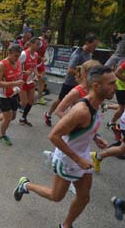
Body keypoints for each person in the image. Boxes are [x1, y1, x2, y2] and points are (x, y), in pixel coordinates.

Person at [14, 65, 116, 228]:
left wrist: (95, 137)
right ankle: (25, 185)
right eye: (111, 83)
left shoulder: (99, 104)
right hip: (68, 160)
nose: (115, 87)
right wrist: (78, 159)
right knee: (56, 196)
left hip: (82, 155)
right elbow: (53, 136)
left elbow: (82, 129)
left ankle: (66, 225)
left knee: (84, 197)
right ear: (96, 86)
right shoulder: (81, 110)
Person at [44, 33, 99, 127]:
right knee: (60, 101)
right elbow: (70, 70)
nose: (95, 48)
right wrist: (83, 76)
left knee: (77, 103)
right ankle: (48, 114)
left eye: (96, 46)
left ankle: (74, 121)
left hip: (81, 84)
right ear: (87, 43)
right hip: (70, 83)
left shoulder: (89, 54)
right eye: (94, 45)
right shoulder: (78, 54)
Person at [0, 44, 23, 145]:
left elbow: (17, 74)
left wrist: (25, 73)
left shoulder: (18, 62)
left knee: (13, 117)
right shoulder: (2, 64)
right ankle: (2, 135)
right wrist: (14, 83)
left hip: (14, 92)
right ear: (9, 53)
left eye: (19, 55)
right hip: (3, 95)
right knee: (8, 117)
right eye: (15, 55)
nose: (17, 58)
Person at [18, 37, 41, 126]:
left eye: (39, 44)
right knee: (24, 103)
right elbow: (16, 66)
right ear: (31, 44)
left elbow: (34, 66)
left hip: (30, 80)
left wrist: (37, 74)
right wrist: (24, 72)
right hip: (22, 81)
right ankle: (12, 107)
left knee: (31, 101)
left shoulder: (35, 54)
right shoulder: (24, 54)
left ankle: (23, 118)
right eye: (37, 44)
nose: (38, 46)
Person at [107, 60, 125, 129]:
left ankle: (106, 106)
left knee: (122, 106)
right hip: (121, 88)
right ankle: (112, 122)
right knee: (122, 108)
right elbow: (117, 73)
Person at [36, 27, 51, 105]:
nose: (49, 34)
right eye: (47, 32)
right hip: (34, 63)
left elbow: (42, 52)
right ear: (43, 33)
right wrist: (41, 58)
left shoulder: (46, 41)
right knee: (28, 81)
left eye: (49, 33)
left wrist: (43, 58)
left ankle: (39, 98)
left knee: (42, 80)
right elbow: (33, 52)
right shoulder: (39, 41)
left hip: (40, 64)